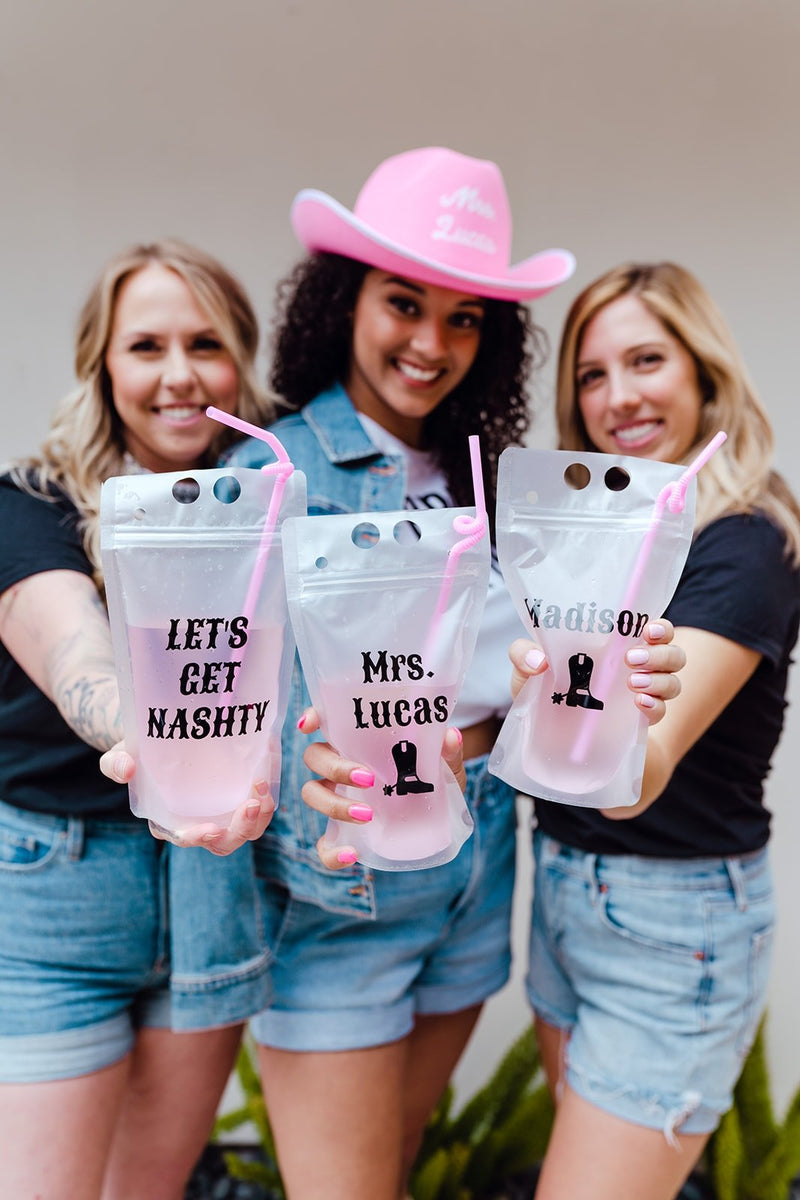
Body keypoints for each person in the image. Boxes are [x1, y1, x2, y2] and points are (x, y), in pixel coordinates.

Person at [225, 149, 684, 1200]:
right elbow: (225, 694)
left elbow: (510, 668)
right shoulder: (276, 471)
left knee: (383, 1167)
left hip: (475, 878)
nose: (431, 344)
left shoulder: (488, 476)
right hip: (343, 896)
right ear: (344, 302)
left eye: (465, 316)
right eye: (402, 304)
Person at [505, 262, 800, 1200]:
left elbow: (641, 773)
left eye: (645, 361)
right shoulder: (588, 537)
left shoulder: (743, 543)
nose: (617, 397)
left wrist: (600, 715)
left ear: (704, 373)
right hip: (563, 891)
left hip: (674, 923)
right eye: (592, 374)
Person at [0, 239, 276, 1200]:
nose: (178, 375)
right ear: (102, 364)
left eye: (205, 343)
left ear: (241, 362)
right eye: (145, 345)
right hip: (55, 892)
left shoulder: (272, 509)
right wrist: (144, 736)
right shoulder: (34, 501)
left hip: (211, 882)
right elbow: (69, 643)